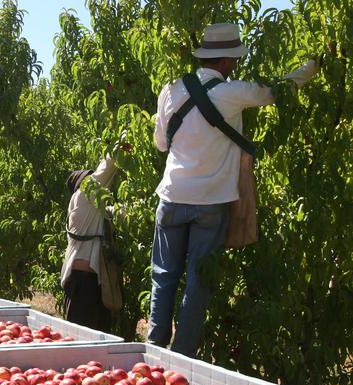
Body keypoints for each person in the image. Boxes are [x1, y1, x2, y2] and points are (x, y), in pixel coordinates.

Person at [147, 23, 319, 358]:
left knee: (163, 276)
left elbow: (160, 144)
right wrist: (314, 65)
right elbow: (279, 90)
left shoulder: (171, 89)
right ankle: (181, 356)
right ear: (226, 61)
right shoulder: (233, 92)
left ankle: (153, 349)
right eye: (234, 59)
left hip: (171, 196)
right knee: (198, 282)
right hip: (211, 202)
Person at [60, 142, 120, 332]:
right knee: (82, 342)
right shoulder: (83, 197)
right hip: (82, 283)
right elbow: (106, 168)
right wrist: (123, 140)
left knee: (97, 342)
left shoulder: (93, 210)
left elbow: (119, 213)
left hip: (94, 284)